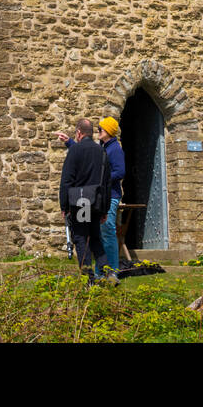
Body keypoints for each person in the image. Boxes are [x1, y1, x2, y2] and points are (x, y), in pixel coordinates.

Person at [58, 118, 117, 285]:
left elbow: (66, 180)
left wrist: (64, 205)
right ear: (91, 133)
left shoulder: (75, 151)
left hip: (80, 202)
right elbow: (106, 183)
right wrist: (105, 209)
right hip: (97, 201)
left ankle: (88, 279)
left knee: (81, 238)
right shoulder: (101, 152)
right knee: (96, 238)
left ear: (78, 133)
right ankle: (108, 273)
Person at [97, 117, 125, 273]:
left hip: (111, 196)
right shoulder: (104, 147)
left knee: (108, 232)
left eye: (101, 129)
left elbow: (120, 172)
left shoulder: (115, 149)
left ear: (108, 131)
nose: (98, 131)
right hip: (103, 196)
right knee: (101, 235)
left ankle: (112, 270)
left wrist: (102, 178)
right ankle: (101, 271)